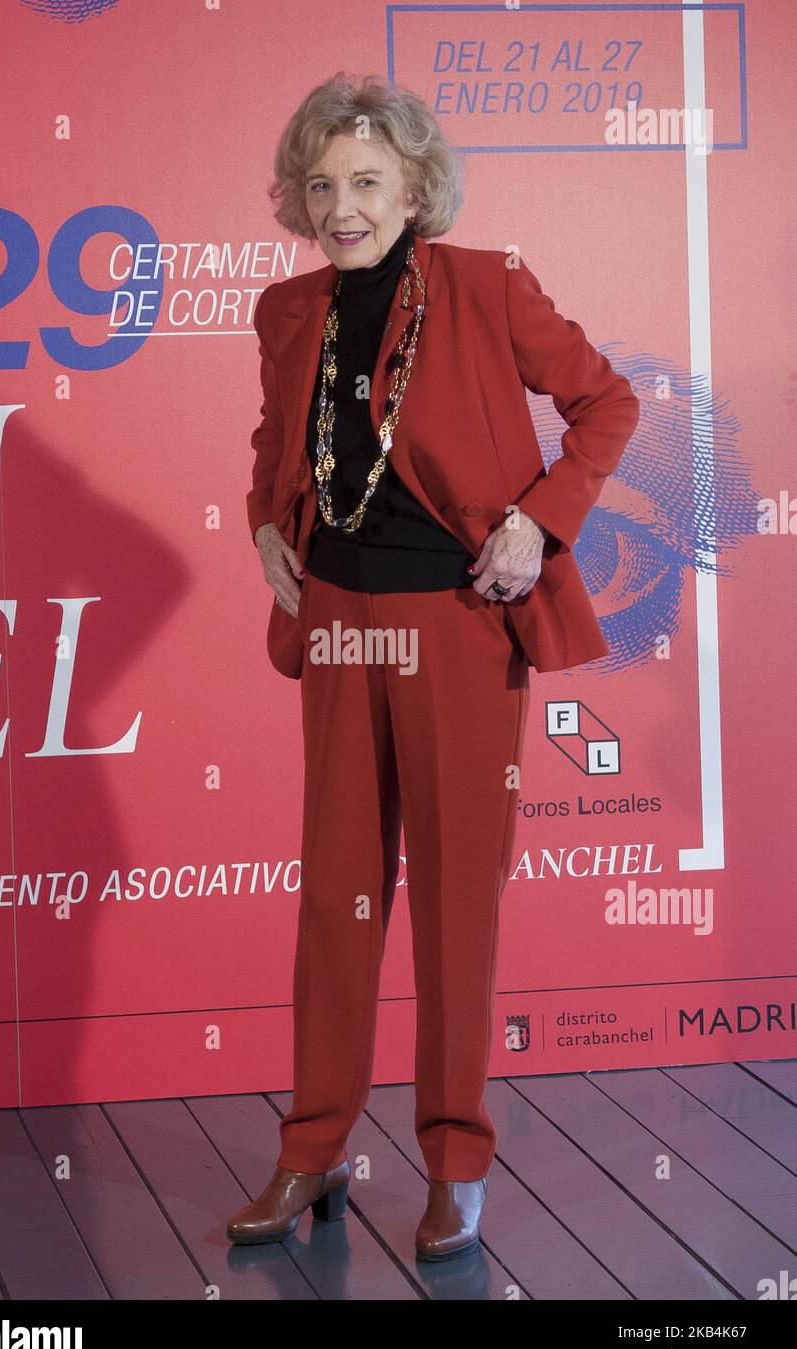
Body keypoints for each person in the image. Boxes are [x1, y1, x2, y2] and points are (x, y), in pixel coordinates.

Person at [227, 71, 640, 1261]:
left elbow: (604, 402)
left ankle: (456, 1167)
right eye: (320, 185)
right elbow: (273, 446)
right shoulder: (285, 309)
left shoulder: (484, 284)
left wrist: (538, 520)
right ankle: (312, 1152)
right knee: (334, 894)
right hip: (343, 621)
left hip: (457, 625)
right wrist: (264, 523)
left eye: (364, 182)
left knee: (457, 902)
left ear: (414, 189)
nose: (340, 205)